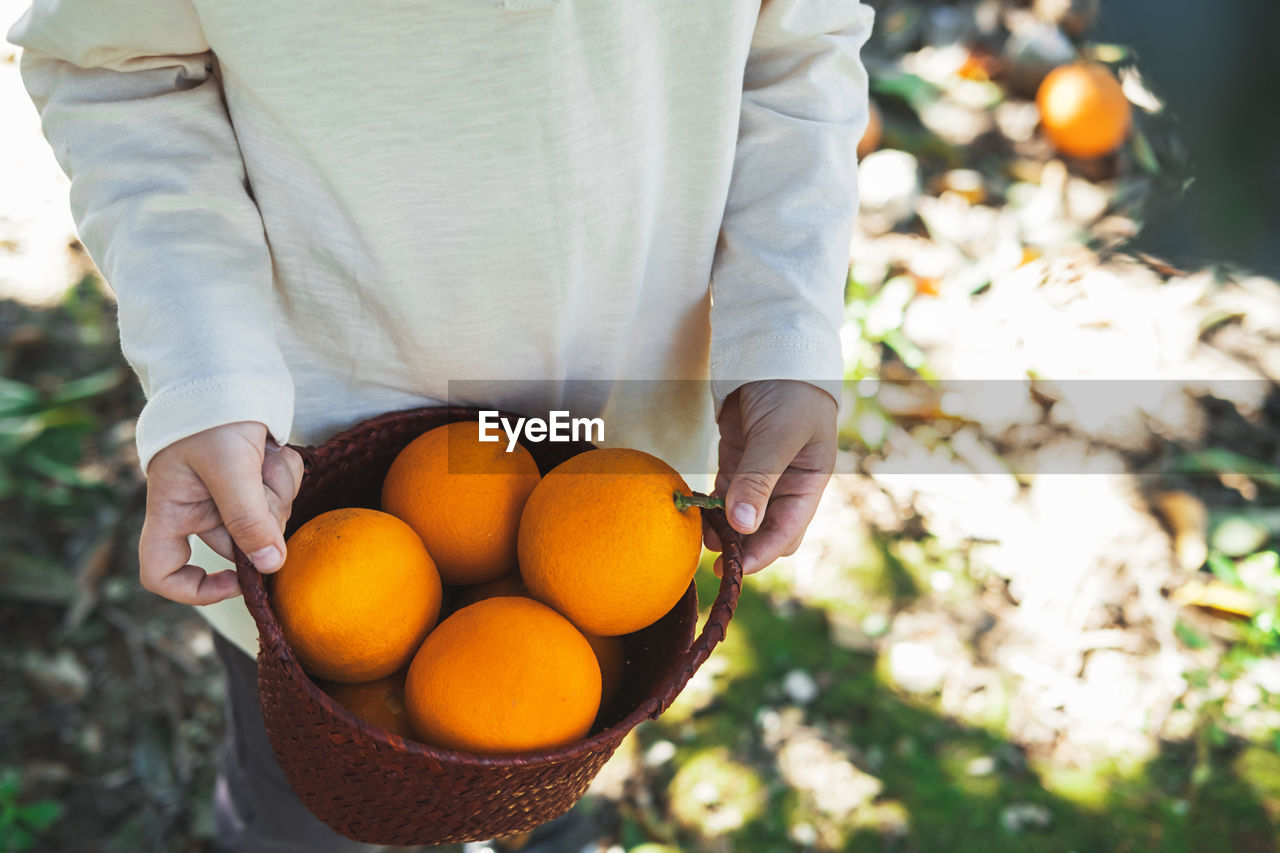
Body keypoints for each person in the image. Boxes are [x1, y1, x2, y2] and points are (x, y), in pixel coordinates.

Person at [8, 1, 875, 850]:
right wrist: (209, 368)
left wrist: (784, 333)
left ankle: (546, 817)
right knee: (304, 811)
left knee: (547, 737)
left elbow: (797, 44)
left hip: (617, 469)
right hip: (295, 483)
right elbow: (118, 65)